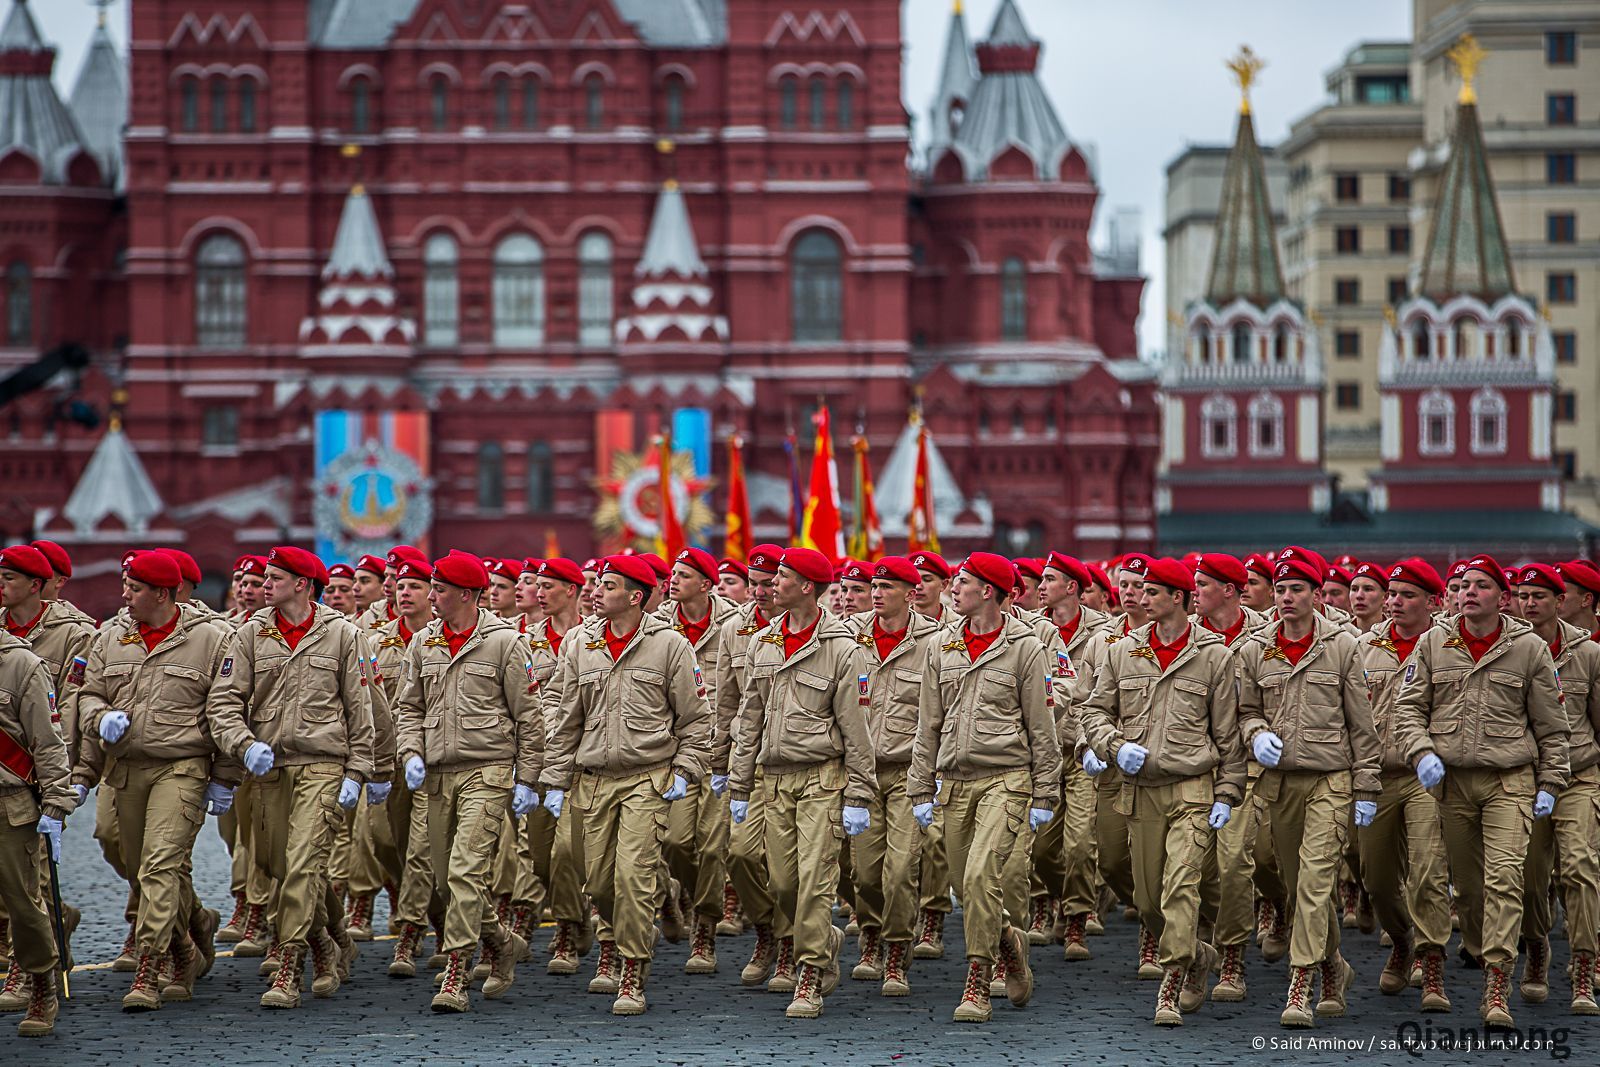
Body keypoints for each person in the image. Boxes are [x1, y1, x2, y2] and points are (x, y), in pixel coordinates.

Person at [1392, 554, 1570, 1029]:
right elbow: (1408, 709)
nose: (1469, 592)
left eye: (1481, 585)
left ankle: (1497, 985)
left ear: (1503, 598)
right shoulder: (1434, 642)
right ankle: (1479, 946)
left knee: (1505, 879)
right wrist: (1421, 752)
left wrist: (1551, 782)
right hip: (1450, 782)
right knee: (1469, 891)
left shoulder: (1529, 648)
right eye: (1464, 584)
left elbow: (1552, 726)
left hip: (1509, 780)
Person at [540, 554, 712, 1015]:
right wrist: (554, 779)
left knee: (632, 877)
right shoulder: (581, 643)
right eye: (598, 583)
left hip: (646, 779)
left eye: (609, 585)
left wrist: (684, 771)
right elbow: (566, 718)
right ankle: (639, 918)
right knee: (598, 884)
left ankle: (633, 968)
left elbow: (696, 719)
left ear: (636, 597)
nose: (596, 591)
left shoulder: (670, 645)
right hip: (593, 780)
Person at [206, 546, 377, 1009]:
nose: (264, 585)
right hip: (268, 768)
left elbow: (361, 708)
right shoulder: (250, 634)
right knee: (278, 865)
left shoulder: (341, 634)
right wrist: (244, 745)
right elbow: (224, 702)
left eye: (274, 578)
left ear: (302, 584)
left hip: (322, 764)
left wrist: (359, 770)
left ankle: (290, 960)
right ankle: (330, 936)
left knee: (302, 863)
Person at [1079, 557, 1245, 1027]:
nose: (1140, 597)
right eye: (1141, 590)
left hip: (1192, 787)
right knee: (1149, 901)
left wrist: (1227, 793)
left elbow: (1228, 736)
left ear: (1179, 598)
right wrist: (1115, 746)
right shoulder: (1122, 651)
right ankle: (1196, 954)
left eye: (1153, 591)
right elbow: (1094, 712)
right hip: (1141, 791)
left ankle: (1172, 982)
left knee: (1180, 887)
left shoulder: (1214, 656)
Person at [76, 551, 238, 1010]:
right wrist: (100, 718)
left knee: (160, 864)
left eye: (134, 588)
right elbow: (88, 694)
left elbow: (229, 709)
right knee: (134, 864)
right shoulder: (111, 636)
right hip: (126, 768)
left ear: (162, 594)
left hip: (182, 766)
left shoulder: (211, 639)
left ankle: (151, 965)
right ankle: (189, 936)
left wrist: (225, 776)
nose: (125, 595)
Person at [908, 552, 1061, 1023]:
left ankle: (977, 978)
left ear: (988, 591)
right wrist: (920, 787)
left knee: (979, 878)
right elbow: (928, 723)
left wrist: (1045, 793)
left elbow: (1042, 726)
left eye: (962, 582)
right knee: (965, 886)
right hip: (955, 783)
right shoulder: (942, 645)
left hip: (1007, 779)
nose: (952, 589)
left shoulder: (1026, 648)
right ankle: (1008, 943)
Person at [729, 547, 876, 1019]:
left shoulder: (843, 649)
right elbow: (749, 718)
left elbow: (856, 729)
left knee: (814, 881)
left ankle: (809, 971)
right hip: (773, 780)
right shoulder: (764, 642)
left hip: (822, 779)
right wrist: (739, 783)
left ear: (808, 587)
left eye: (782, 577)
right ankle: (822, 938)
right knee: (782, 882)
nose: (772, 583)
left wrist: (858, 794)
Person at [1235, 557, 1382, 1028]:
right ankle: (1333, 964)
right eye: (1280, 588)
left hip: (1330, 780)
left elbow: (1362, 724)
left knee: (1317, 882)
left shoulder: (1342, 646)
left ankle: (1301, 983)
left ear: (1316, 595)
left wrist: (1366, 787)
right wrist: (1256, 733)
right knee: (1299, 886)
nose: (1286, 597)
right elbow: (1245, 710)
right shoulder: (1256, 648)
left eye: (1297, 588)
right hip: (1280, 783)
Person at [392, 552, 541, 1013]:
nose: (431, 596)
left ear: (466, 595)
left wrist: (527, 779)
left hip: (487, 771)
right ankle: (501, 941)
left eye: (439, 589)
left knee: (464, 871)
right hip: (437, 775)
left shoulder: (505, 643)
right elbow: (408, 707)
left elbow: (529, 716)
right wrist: (410, 753)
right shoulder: (424, 642)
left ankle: (458, 969)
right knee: (444, 881)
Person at [1357, 559, 1454, 1013]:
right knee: (1376, 879)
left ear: (1433, 602)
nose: (1395, 602)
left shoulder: (1448, 647)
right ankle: (1401, 939)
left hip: (1426, 778)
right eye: (1392, 594)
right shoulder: (1363, 647)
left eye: (1407, 595)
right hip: (1377, 776)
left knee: (1428, 870)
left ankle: (1431, 962)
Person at [848, 556, 940, 995]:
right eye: (874, 586)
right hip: (860, 772)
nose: (876, 593)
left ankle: (897, 949)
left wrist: (935, 772)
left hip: (910, 771)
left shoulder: (935, 642)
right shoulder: (849, 636)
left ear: (910, 592)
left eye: (887, 587)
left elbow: (944, 710)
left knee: (901, 869)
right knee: (864, 872)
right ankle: (870, 931)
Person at [1516, 563, 1600, 1014]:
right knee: (1530, 880)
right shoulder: (1510, 649)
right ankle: (1536, 947)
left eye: (1540, 596)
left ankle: (1585, 963)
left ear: (1559, 601)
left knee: (1580, 868)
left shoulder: (1587, 654)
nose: (1530, 603)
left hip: (1578, 775)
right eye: (1523, 596)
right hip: (1525, 780)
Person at [658, 547, 738, 975]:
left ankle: (704, 926)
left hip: (722, 750)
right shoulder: (658, 625)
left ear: (706, 585)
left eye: (684, 575)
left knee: (711, 845)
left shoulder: (735, 625)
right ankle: (685, 895)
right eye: (673, 573)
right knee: (674, 841)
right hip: (677, 750)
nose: (673, 581)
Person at [1036, 553, 1114, 963]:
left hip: (1084, 751)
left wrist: (1090, 743)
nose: (1040, 586)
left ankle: (1077, 919)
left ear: (1072, 587)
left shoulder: (1104, 633)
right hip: (1043, 753)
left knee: (1081, 843)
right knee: (1041, 849)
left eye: (1050, 579)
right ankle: (1057, 899)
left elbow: (1100, 696)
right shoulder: (1031, 630)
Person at [714, 545, 784, 987]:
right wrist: (720, 761)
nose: (759, 592)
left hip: (800, 758)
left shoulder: (820, 633)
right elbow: (727, 701)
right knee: (740, 854)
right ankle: (767, 929)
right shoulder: (734, 630)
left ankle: (792, 944)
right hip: (750, 757)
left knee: (787, 864)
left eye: (768, 584)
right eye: (753, 584)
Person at [0, 623, 74, 1036]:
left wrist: (57, 803)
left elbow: (47, 740)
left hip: (8, 801)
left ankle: (41, 980)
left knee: (22, 903)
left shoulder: (21, 664)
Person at [526, 558, 590, 977]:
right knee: (540, 856)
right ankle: (574, 910)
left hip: (584, 758)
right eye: (537, 585)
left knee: (568, 850)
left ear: (572, 590)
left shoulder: (592, 636)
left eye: (548, 586)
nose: (539, 593)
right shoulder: (525, 640)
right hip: (538, 757)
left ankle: (568, 926)